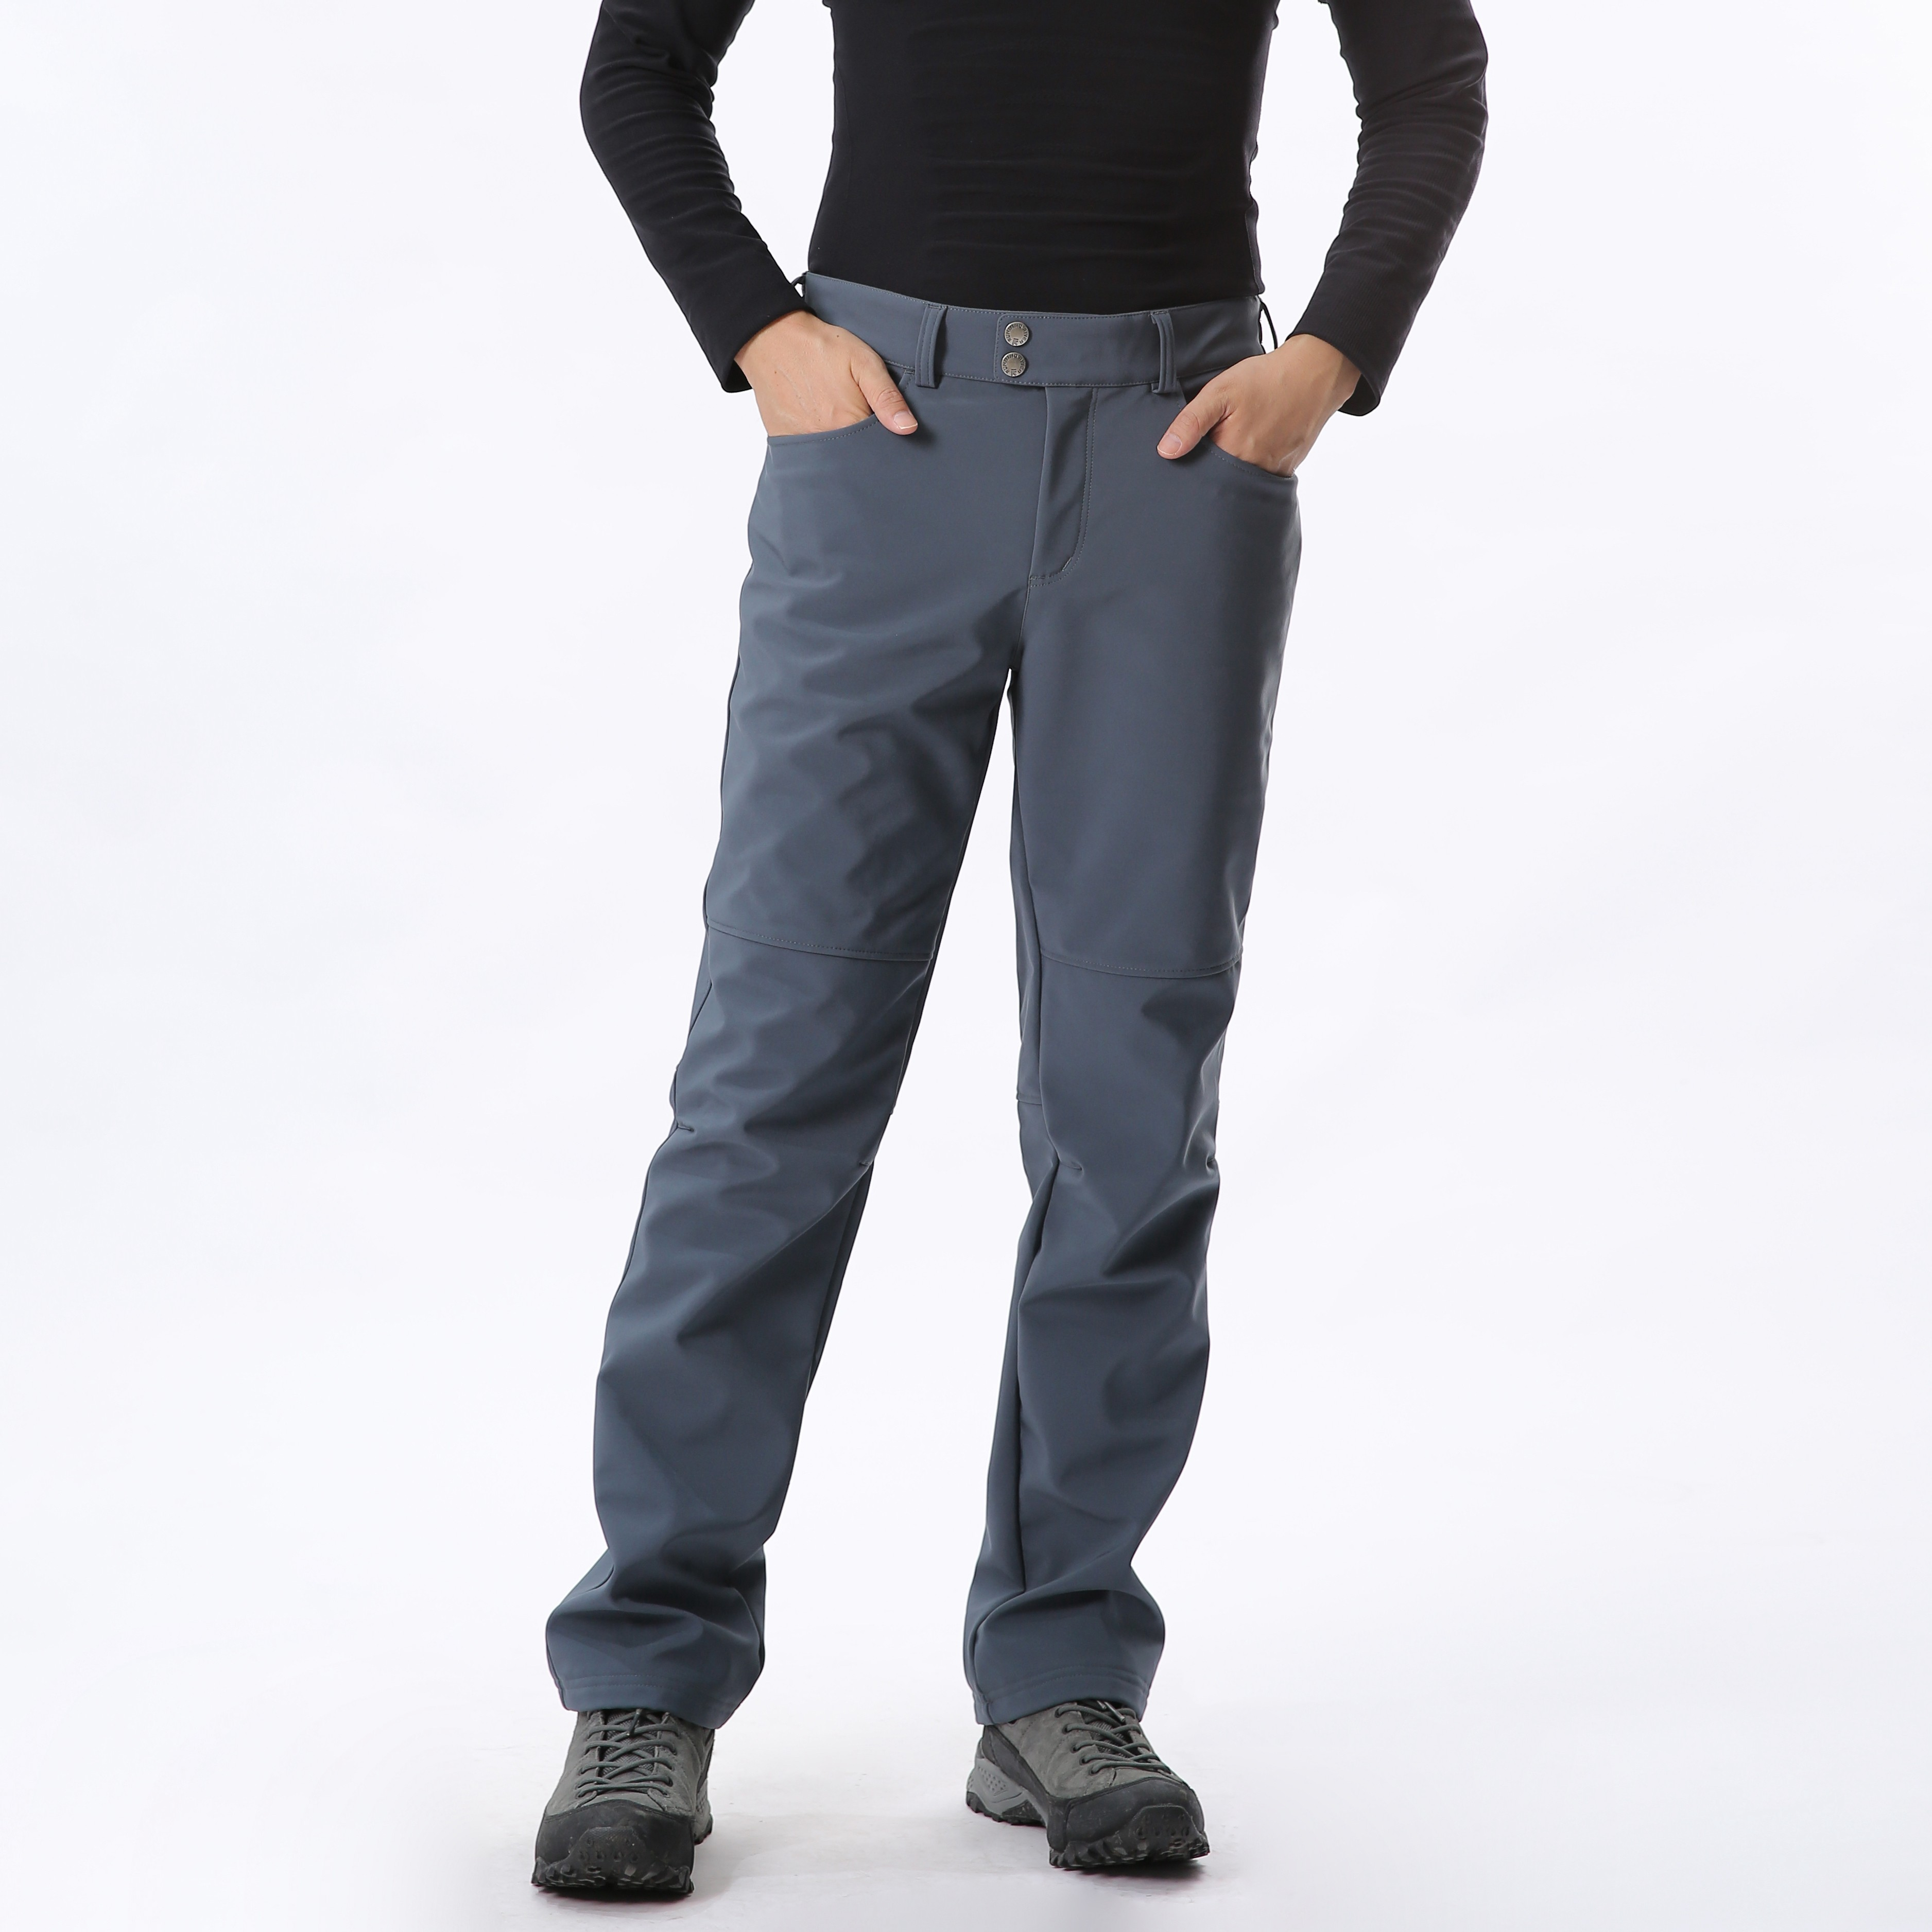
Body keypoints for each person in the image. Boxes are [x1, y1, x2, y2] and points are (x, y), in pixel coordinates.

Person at [533, 0, 1486, 1895]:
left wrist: (1328, 356)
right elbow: (638, 66)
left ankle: (1060, 1671)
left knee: (1134, 1085)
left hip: (1182, 449)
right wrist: (759, 328)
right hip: (880, 433)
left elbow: (1430, 81)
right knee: (773, 1074)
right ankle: (646, 1673)